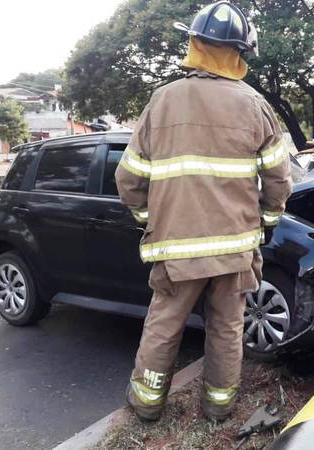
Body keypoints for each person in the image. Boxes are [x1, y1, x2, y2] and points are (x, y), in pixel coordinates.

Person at [115, 1, 292, 422]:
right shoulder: (256, 106)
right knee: (228, 328)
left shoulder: (162, 101)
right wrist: (266, 223)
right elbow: (279, 180)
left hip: (175, 250)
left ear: (194, 44)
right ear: (238, 53)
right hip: (235, 250)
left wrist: (149, 220)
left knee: (163, 325)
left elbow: (129, 180)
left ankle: (146, 405)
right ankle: (218, 407)